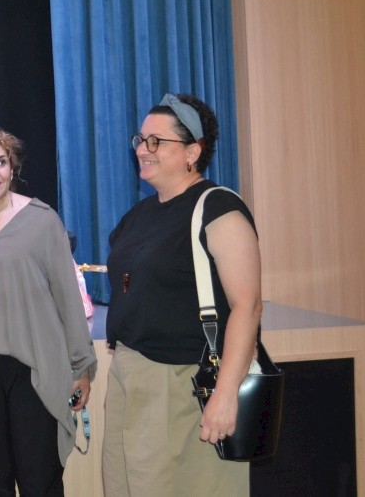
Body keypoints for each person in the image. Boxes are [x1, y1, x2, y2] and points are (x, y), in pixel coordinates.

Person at [103, 93, 260, 497]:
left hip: (183, 384)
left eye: (156, 141)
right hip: (130, 375)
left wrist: (225, 395)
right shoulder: (140, 214)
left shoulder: (218, 208)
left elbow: (247, 306)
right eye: (141, 140)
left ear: (193, 151)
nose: (143, 149)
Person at [0, 120, 96, 496]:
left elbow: (68, 299)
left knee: (39, 482)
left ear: (12, 168)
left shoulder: (43, 221)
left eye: (1, 162)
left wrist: (82, 367)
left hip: (35, 370)